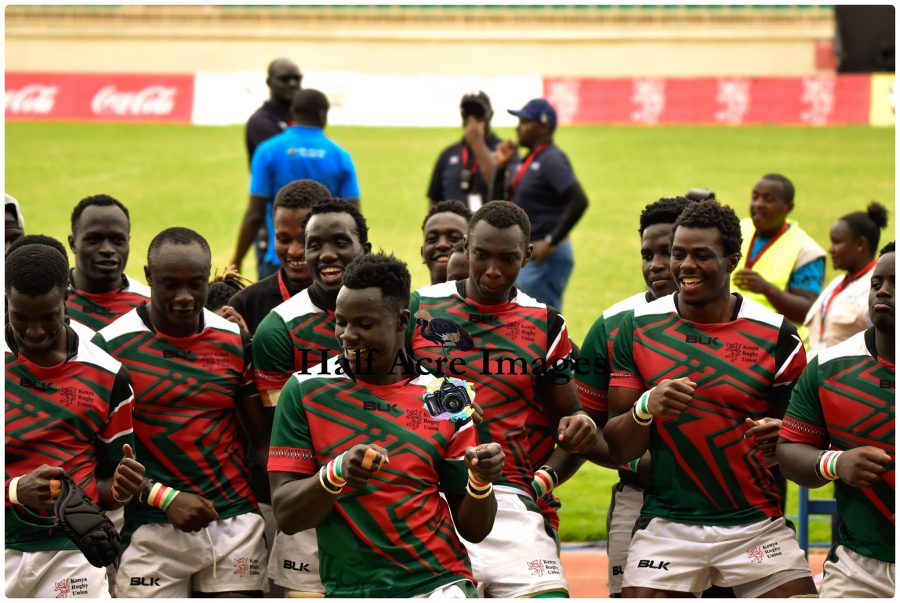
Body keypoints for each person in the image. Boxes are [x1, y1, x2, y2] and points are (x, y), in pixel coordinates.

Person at [603, 199, 816, 597]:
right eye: (678, 253)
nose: (684, 266)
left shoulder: (778, 336)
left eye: (702, 255)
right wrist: (645, 408)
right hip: (667, 525)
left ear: (731, 260)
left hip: (754, 524)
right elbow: (617, 445)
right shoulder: (638, 328)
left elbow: (802, 443)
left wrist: (783, 436)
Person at [269, 252, 504, 597]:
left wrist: (481, 481)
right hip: (353, 589)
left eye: (363, 324)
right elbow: (287, 513)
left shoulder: (447, 396)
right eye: (341, 322)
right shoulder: (305, 390)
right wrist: (335, 474)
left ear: (401, 320)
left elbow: (474, 529)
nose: (347, 335)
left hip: (440, 582)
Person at [407, 200, 598, 597]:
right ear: (467, 247)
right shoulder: (418, 309)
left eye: (508, 258)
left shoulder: (546, 324)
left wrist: (542, 482)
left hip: (510, 500)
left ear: (527, 256)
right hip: (431, 499)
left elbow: (572, 420)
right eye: (482, 255)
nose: (493, 271)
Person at [93, 227, 269, 597]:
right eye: (170, 285)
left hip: (232, 521)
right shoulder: (110, 347)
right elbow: (98, 459)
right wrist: (163, 497)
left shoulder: (235, 340)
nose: (185, 297)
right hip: (149, 527)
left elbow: (262, 442)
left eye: (196, 283)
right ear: (148, 277)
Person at [5, 244, 145, 598]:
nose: (34, 332)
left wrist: (119, 491)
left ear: (66, 296)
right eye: (20, 317)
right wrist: (15, 491)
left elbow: (107, 485)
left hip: (71, 552)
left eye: (48, 317)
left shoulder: (108, 376)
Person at [576, 196, 692, 597]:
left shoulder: (742, 325)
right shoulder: (611, 326)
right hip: (637, 499)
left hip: (727, 507)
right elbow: (586, 429)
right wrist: (634, 460)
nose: (656, 265)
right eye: (647, 254)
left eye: (668, 252)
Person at [252, 199, 370, 596]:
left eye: (341, 241)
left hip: (379, 498)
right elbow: (279, 436)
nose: (327, 254)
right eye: (315, 244)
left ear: (364, 249)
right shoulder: (278, 330)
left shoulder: (395, 316)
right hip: (310, 503)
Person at [777, 241, 895, 598]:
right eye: (877, 283)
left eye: (896, 283)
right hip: (860, 568)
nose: (884, 291)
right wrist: (836, 462)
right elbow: (789, 451)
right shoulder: (830, 368)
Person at [232, 88, 360, 280]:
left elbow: (254, 213)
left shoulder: (267, 151)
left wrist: (237, 258)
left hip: (279, 259)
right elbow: (353, 215)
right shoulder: (340, 156)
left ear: (293, 113)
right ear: (322, 114)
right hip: (324, 261)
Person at [492, 98, 589, 311]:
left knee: (539, 324)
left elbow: (579, 200)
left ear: (544, 126)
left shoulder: (551, 159)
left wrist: (550, 241)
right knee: (522, 322)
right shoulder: (530, 160)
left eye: (525, 122)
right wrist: (500, 168)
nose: (518, 127)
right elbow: (498, 206)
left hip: (544, 258)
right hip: (530, 256)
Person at [227, 179, 331, 335]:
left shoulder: (351, 298)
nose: (294, 251)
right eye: (283, 239)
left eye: (305, 239)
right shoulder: (246, 304)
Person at [732, 173, 826, 334]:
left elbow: (807, 313)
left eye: (768, 199)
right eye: (755, 197)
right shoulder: (737, 229)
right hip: (730, 332)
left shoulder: (806, 251)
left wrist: (766, 289)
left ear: (788, 207)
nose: (758, 204)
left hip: (777, 344)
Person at [804, 202, 889, 357]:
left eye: (837, 242)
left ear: (860, 244)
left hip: (848, 375)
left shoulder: (877, 288)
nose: (830, 249)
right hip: (818, 368)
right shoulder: (837, 283)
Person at [66, 194, 150, 331]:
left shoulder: (148, 306)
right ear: (73, 243)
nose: (107, 250)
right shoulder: (49, 302)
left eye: (118, 240)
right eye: (94, 240)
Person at [427, 91, 502, 212]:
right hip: (455, 227)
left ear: (490, 114)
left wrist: (477, 143)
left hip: (489, 227)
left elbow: (495, 181)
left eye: (478, 113)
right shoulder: (448, 154)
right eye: (467, 113)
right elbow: (434, 199)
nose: (471, 119)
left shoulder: (503, 151)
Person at [245, 58, 302, 165]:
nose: (293, 83)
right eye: (284, 79)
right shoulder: (260, 122)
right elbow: (285, 159)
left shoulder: (304, 117)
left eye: (297, 78)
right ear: (269, 82)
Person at [421, 199, 471, 285]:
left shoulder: (492, 298)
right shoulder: (413, 298)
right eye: (432, 238)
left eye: (455, 238)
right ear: (422, 253)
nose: (442, 244)